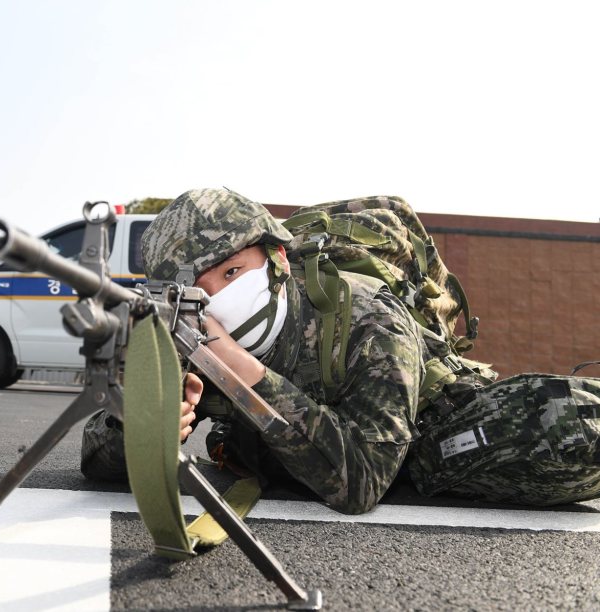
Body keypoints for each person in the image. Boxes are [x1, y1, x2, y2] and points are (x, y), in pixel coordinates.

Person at [81, 188, 600, 513]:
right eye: (198, 288)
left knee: (562, 424)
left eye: (233, 272)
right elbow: (96, 460)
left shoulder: (369, 319)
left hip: (427, 422)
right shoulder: (186, 330)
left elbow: (364, 483)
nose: (217, 299)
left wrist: (239, 370)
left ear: (278, 258)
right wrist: (141, 423)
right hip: (309, 444)